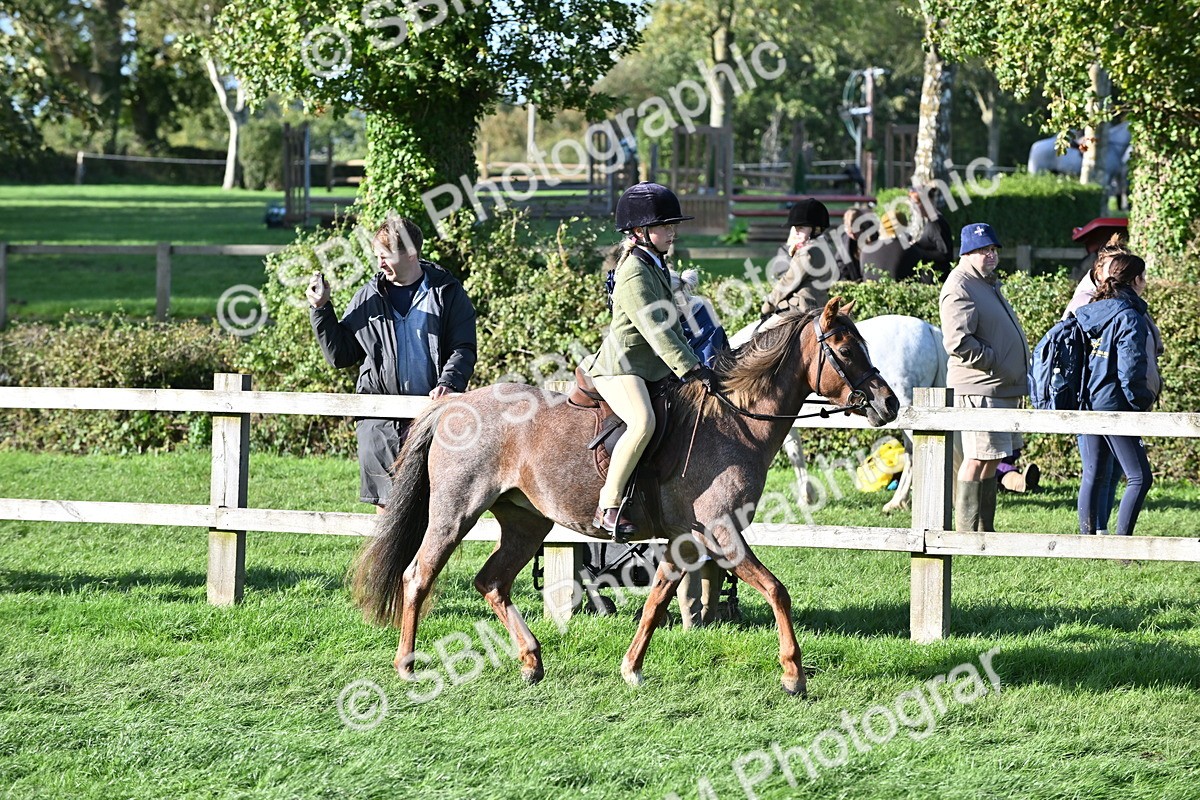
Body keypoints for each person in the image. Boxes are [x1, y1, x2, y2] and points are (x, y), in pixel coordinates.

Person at [306, 216, 477, 512]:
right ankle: (395, 562)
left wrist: (449, 383)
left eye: (385, 256)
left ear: (410, 254)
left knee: (431, 507)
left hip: (430, 417)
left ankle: (423, 562)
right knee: (387, 515)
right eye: (377, 257)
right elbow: (342, 354)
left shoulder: (447, 293)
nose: (379, 264)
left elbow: (463, 347)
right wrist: (321, 310)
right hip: (379, 420)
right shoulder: (368, 296)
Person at [581, 182, 714, 540]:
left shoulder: (652, 262)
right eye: (665, 226)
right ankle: (607, 506)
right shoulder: (634, 272)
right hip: (622, 366)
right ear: (640, 232)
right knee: (642, 422)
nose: (672, 231)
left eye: (673, 225)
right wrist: (692, 369)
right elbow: (658, 331)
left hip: (649, 368)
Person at [1063, 238, 1163, 532]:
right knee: (1140, 477)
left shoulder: (1094, 310)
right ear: (1135, 280)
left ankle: (1088, 538)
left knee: (1093, 474)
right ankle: (1122, 545)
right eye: (1143, 277)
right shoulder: (1130, 316)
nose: (1146, 282)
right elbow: (1130, 369)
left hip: (1090, 398)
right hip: (1116, 403)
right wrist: (1140, 401)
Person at [939, 222, 1030, 532]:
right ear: (966, 253)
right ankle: (966, 532)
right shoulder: (960, 285)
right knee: (977, 458)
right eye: (982, 251)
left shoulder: (987, 283)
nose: (990, 256)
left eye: (993, 250)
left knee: (994, 456)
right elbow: (958, 341)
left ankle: (983, 530)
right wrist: (996, 363)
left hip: (999, 388)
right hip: (979, 386)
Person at [668, 267, 731, 627]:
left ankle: (704, 615)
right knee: (699, 526)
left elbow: (716, 359)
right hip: (696, 417)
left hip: (702, 416)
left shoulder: (696, 312)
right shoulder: (693, 312)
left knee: (703, 524)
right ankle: (699, 617)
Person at [760, 198, 834, 318]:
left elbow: (788, 281)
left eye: (801, 228)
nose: (796, 232)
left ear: (816, 229)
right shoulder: (825, 248)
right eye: (795, 228)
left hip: (802, 309)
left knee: (763, 330)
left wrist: (768, 305)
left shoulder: (807, 252)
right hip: (820, 307)